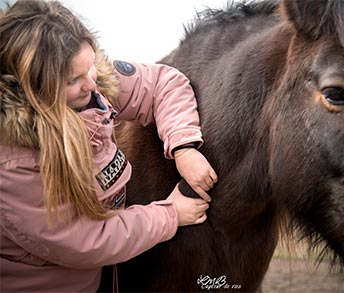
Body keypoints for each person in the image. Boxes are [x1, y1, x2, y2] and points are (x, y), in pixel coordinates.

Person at [0, 0, 218, 291]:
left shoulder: (91, 84)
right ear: (34, 88)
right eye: (73, 79)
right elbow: (84, 242)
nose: (91, 83)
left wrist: (183, 146)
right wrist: (170, 214)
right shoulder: (14, 163)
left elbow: (164, 82)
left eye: (89, 65)